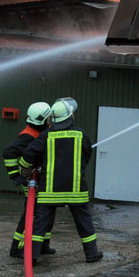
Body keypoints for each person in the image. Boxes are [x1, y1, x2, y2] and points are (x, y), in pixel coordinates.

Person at [18, 97, 103, 264]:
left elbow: (28, 155)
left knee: (40, 224)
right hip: (76, 191)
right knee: (84, 222)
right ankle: (91, 254)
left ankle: (32, 256)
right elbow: (87, 156)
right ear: (70, 116)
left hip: (50, 192)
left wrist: (25, 169)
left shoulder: (46, 135)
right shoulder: (81, 134)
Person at [2, 101, 55, 258]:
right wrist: (16, 176)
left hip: (40, 178)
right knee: (32, 213)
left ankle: (43, 244)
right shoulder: (28, 137)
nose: (51, 120)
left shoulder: (40, 131)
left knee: (47, 211)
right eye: (49, 118)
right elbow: (9, 152)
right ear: (42, 119)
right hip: (31, 180)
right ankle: (17, 247)